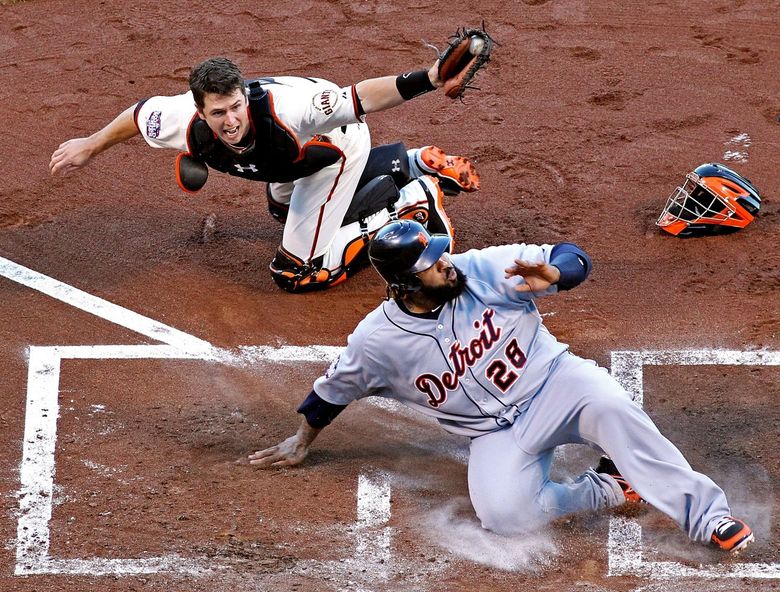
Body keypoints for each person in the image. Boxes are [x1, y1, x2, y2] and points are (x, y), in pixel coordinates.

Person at [249, 219, 755, 554]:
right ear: (404, 284)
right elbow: (332, 392)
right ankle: (610, 487)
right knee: (506, 516)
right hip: (496, 434)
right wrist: (301, 441)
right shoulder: (378, 342)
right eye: (433, 265)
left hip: (558, 384)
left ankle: (708, 516)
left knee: (612, 406)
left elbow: (572, 257)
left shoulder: (482, 269)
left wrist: (557, 270)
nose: (448, 264)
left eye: (442, 255)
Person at [49, 57, 480, 292]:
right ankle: (409, 163)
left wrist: (428, 77)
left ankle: (416, 198)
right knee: (281, 208)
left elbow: (362, 95)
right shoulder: (184, 120)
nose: (231, 119)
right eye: (218, 113)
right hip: (289, 162)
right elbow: (139, 113)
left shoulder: (291, 112)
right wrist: (90, 143)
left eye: (236, 106)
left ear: (243, 95)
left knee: (297, 272)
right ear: (200, 110)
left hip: (333, 146)